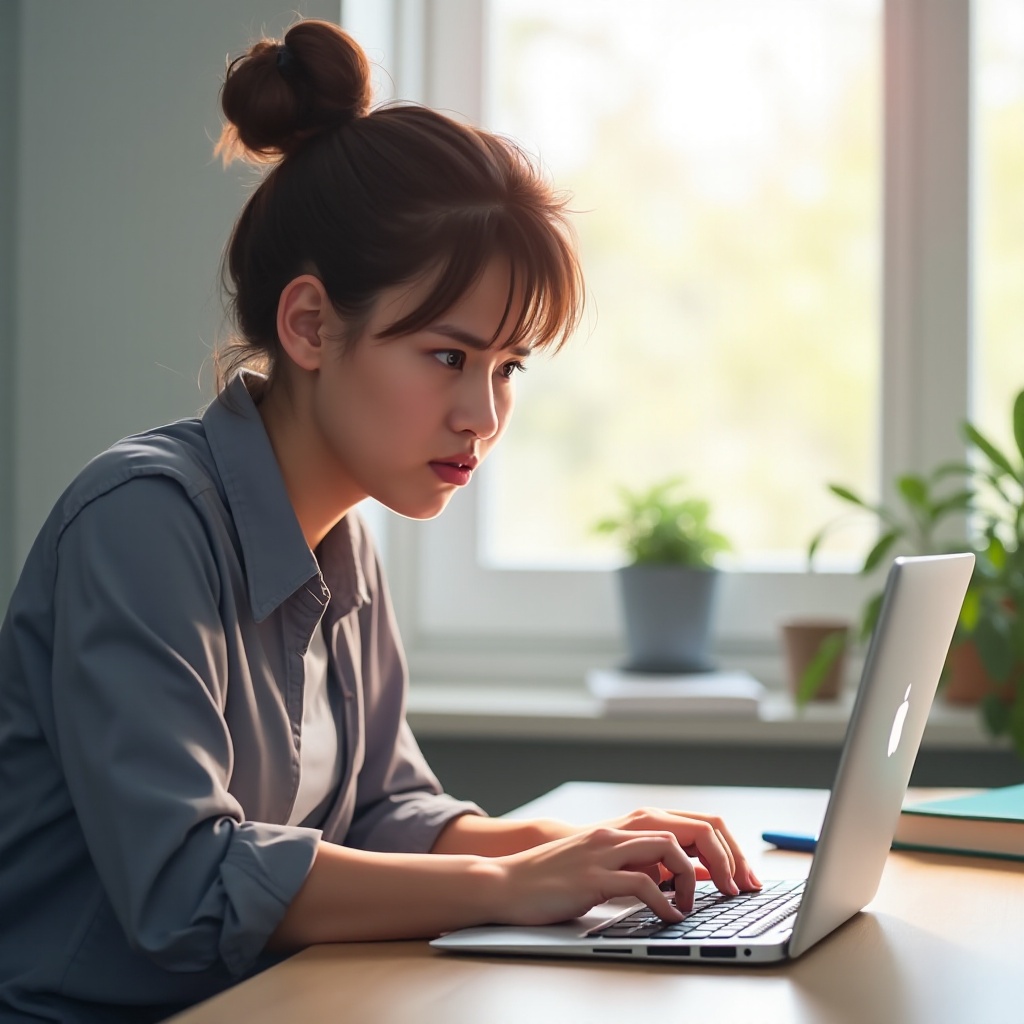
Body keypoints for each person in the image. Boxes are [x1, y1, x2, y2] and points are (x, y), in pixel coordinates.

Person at [0, 19, 760, 1023]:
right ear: (310, 324)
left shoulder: (343, 535)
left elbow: (384, 812)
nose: (482, 416)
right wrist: (515, 886)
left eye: (508, 369)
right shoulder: (140, 522)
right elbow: (188, 886)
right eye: (449, 356)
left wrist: (588, 851)